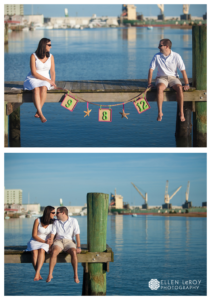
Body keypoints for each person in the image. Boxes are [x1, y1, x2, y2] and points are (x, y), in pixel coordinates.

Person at [147, 39, 190, 122]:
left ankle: (181, 112)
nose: (158, 47)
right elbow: (151, 69)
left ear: (167, 46)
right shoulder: (157, 56)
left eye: (160, 46)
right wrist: (149, 83)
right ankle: (160, 112)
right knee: (159, 88)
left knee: (180, 88)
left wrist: (187, 84)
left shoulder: (176, 56)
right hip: (161, 78)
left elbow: (183, 71)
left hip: (173, 78)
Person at [23, 38, 57, 123]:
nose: (51, 47)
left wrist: (52, 81)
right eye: (49, 45)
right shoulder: (33, 56)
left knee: (44, 87)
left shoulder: (51, 56)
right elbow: (33, 72)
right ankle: (41, 114)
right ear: (43, 45)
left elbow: (52, 71)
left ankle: (38, 111)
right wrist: (48, 80)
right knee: (36, 89)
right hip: (33, 78)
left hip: (46, 80)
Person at [46, 206, 81, 284]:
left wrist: (78, 247)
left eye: (57, 213)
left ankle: (75, 275)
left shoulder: (73, 221)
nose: (56, 214)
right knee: (54, 252)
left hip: (69, 241)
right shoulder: (56, 222)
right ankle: (50, 274)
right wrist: (50, 246)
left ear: (63, 213)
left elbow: (77, 235)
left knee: (74, 252)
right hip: (58, 241)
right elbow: (52, 235)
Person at [25, 206, 56, 281]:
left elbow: (55, 234)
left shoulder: (54, 222)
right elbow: (34, 235)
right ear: (48, 213)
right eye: (53, 213)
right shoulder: (37, 220)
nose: (54, 214)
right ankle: (38, 273)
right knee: (35, 252)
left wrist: (50, 241)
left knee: (42, 250)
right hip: (35, 240)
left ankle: (37, 273)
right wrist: (45, 242)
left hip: (46, 242)